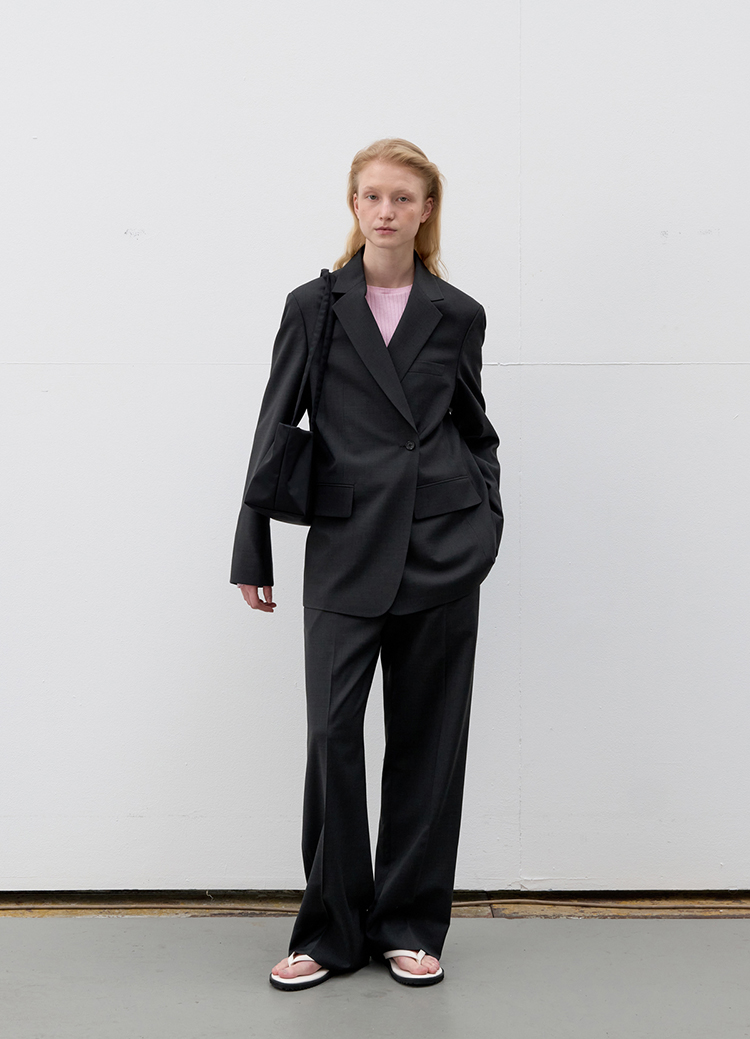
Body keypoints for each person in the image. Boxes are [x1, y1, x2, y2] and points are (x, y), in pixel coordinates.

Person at [230, 138, 502, 990]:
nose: (387, 210)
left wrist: (483, 517)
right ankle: (329, 930)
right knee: (331, 736)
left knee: (429, 742)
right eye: (373, 195)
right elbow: (276, 426)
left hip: (439, 549)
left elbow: (475, 428)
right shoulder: (314, 306)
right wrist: (252, 544)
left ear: (426, 211)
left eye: (403, 197)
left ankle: (411, 924)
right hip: (347, 548)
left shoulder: (458, 313)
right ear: (354, 205)